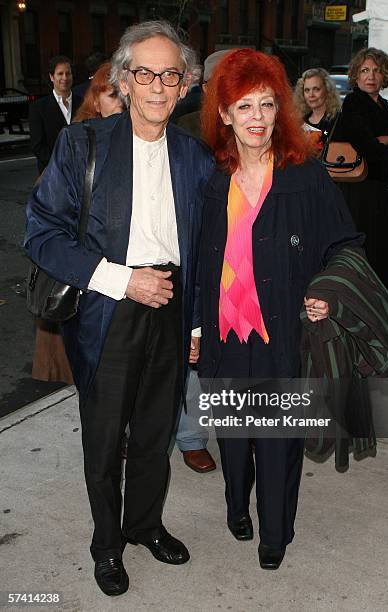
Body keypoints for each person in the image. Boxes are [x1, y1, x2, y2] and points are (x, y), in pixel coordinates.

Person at [25, 20, 215, 596]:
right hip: (109, 306)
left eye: (170, 74)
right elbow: (41, 233)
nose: (158, 85)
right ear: (124, 80)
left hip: (175, 306)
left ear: (185, 86)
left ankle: (145, 525)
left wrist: (199, 321)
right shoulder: (82, 144)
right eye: (145, 73)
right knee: (106, 439)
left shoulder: (196, 157)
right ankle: (106, 545)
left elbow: (207, 246)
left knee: (157, 433)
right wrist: (118, 280)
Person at [198, 48, 363, 570]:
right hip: (224, 337)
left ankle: (275, 532)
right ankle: (235, 506)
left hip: (282, 336)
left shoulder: (305, 178)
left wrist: (326, 290)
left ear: (280, 111)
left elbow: (345, 244)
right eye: (244, 107)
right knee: (233, 435)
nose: (257, 119)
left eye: (267, 105)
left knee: (277, 440)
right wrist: (195, 327)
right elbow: (196, 262)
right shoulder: (208, 182)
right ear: (224, 114)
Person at [31, 63, 125, 387]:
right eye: (113, 94)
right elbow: (46, 228)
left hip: (127, 292)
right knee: (97, 387)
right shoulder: (77, 144)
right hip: (86, 286)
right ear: (96, 101)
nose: (123, 102)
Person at [172, 50, 234, 474]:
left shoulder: (257, 124)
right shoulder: (184, 128)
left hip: (244, 255)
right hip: (196, 253)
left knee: (237, 347)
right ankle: (190, 435)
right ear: (208, 86)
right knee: (192, 349)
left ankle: (239, 428)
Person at [335, 47, 388, 293]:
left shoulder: (385, 105)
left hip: (380, 186)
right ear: (356, 75)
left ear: (384, 75)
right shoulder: (353, 101)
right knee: (362, 246)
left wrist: (387, 143)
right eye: (364, 70)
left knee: (379, 247)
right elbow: (365, 144)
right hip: (358, 187)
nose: (370, 76)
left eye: (376, 70)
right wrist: (387, 144)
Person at [29, 55, 81, 174]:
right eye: (60, 74)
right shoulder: (39, 108)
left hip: (80, 172)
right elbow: (37, 146)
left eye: (68, 73)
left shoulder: (82, 103)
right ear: (51, 77)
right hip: (52, 174)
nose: (65, 78)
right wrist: (60, 165)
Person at [294, 67, 341, 150]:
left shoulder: (338, 120)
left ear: (327, 90)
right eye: (307, 90)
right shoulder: (299, 122)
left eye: (316, 89)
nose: (311, 95)